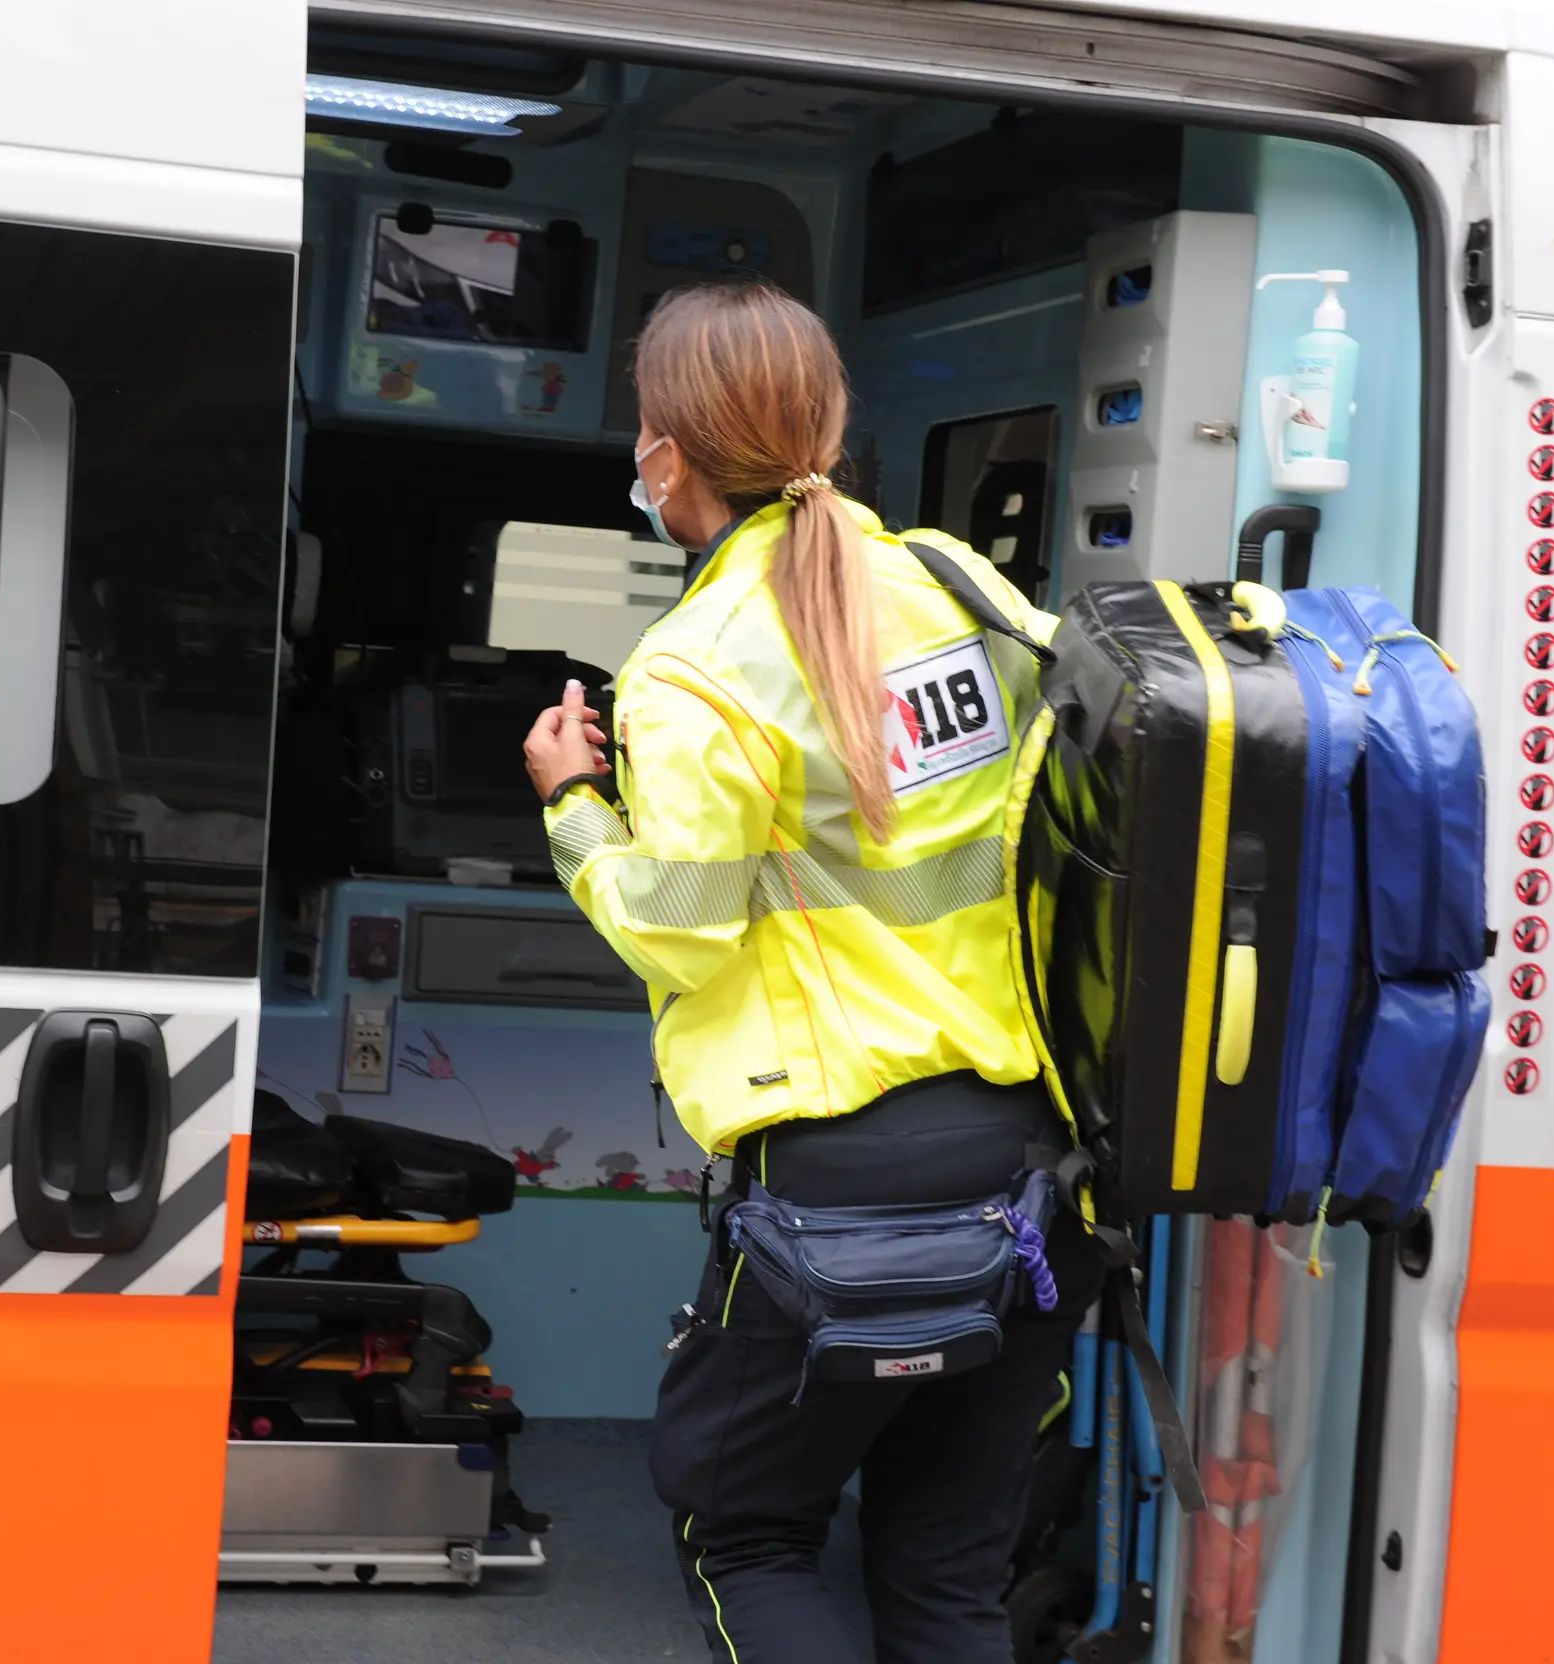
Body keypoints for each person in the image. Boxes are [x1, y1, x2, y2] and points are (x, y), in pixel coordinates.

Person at [520, 280, 1101, 1664]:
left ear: (669, 456)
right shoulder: (962, 585)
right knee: (947, 1582)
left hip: (838, 1201)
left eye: (649, 438)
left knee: (749, 1537)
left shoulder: (690, 668)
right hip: (1031, 1180)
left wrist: (572, 808)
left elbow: (678, 923)